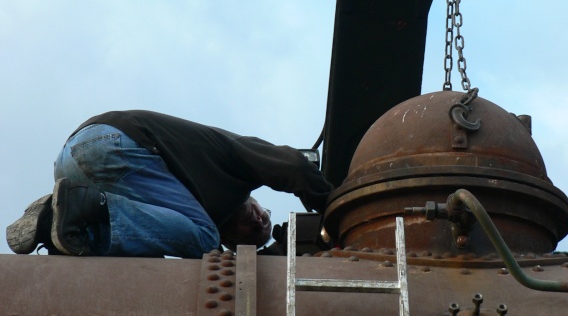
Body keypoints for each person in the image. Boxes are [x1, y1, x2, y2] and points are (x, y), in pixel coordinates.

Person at [6, 110, 333, 258]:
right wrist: (335, 213)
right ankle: (76, 214)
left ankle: (55, 223)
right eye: (263, 215)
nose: (259, 222)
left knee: (167, 244)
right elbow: (293, 166)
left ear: (231, 239)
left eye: (251, 235)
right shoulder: (237, 167)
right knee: (203, 240)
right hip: (114, 143)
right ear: (257, 199)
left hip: (73, 159)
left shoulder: (173, 218)